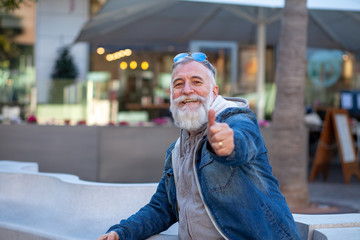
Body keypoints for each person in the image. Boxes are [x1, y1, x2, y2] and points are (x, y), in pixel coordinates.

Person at [97, 52, 301, 240]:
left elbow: (242, 141)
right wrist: (122, 232)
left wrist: (226, 145)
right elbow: (162, 208)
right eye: (178, 84)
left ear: (214, 91)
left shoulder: (236, 118)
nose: (187, 90)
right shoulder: (176, 151)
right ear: (171, 95)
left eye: (196, 82)